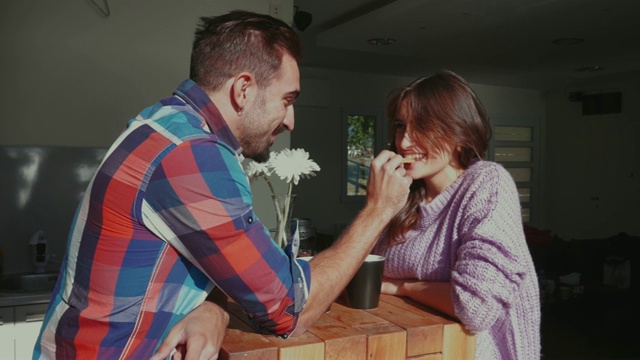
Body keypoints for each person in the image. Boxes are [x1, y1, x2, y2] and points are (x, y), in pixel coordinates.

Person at [33, 10, 412, 360]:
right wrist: (378, 209)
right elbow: (287, 308)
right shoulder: (193, 156)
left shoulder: (164, 123)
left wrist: (212, 306)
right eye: (287, 99)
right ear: (243, 89)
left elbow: (196, 253)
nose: (291, 120)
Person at [371, 70, 541, 360]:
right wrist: (377, 205)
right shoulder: (405, 196)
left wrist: (402, 287)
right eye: (401, 126)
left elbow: (475, 307)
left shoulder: (488, 184)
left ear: (459, 134)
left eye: (422, 126)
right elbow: (361, 273)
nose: (404, 142)